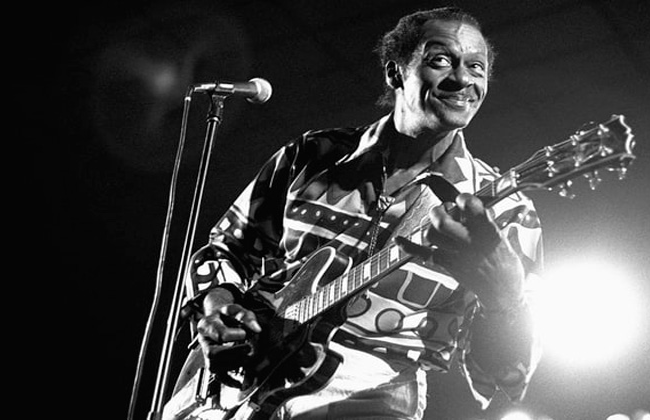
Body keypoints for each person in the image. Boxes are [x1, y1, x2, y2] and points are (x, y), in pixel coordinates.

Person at [177, 6, 544, 420]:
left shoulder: (504, 209)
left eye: (477, 67)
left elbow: (508, 377)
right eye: (441, 60)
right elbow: (224, 248)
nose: (462, 79)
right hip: (238, 388)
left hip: (373, 398)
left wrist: (506, 299)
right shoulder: (311, 155)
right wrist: (217, 309)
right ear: (395, 72)